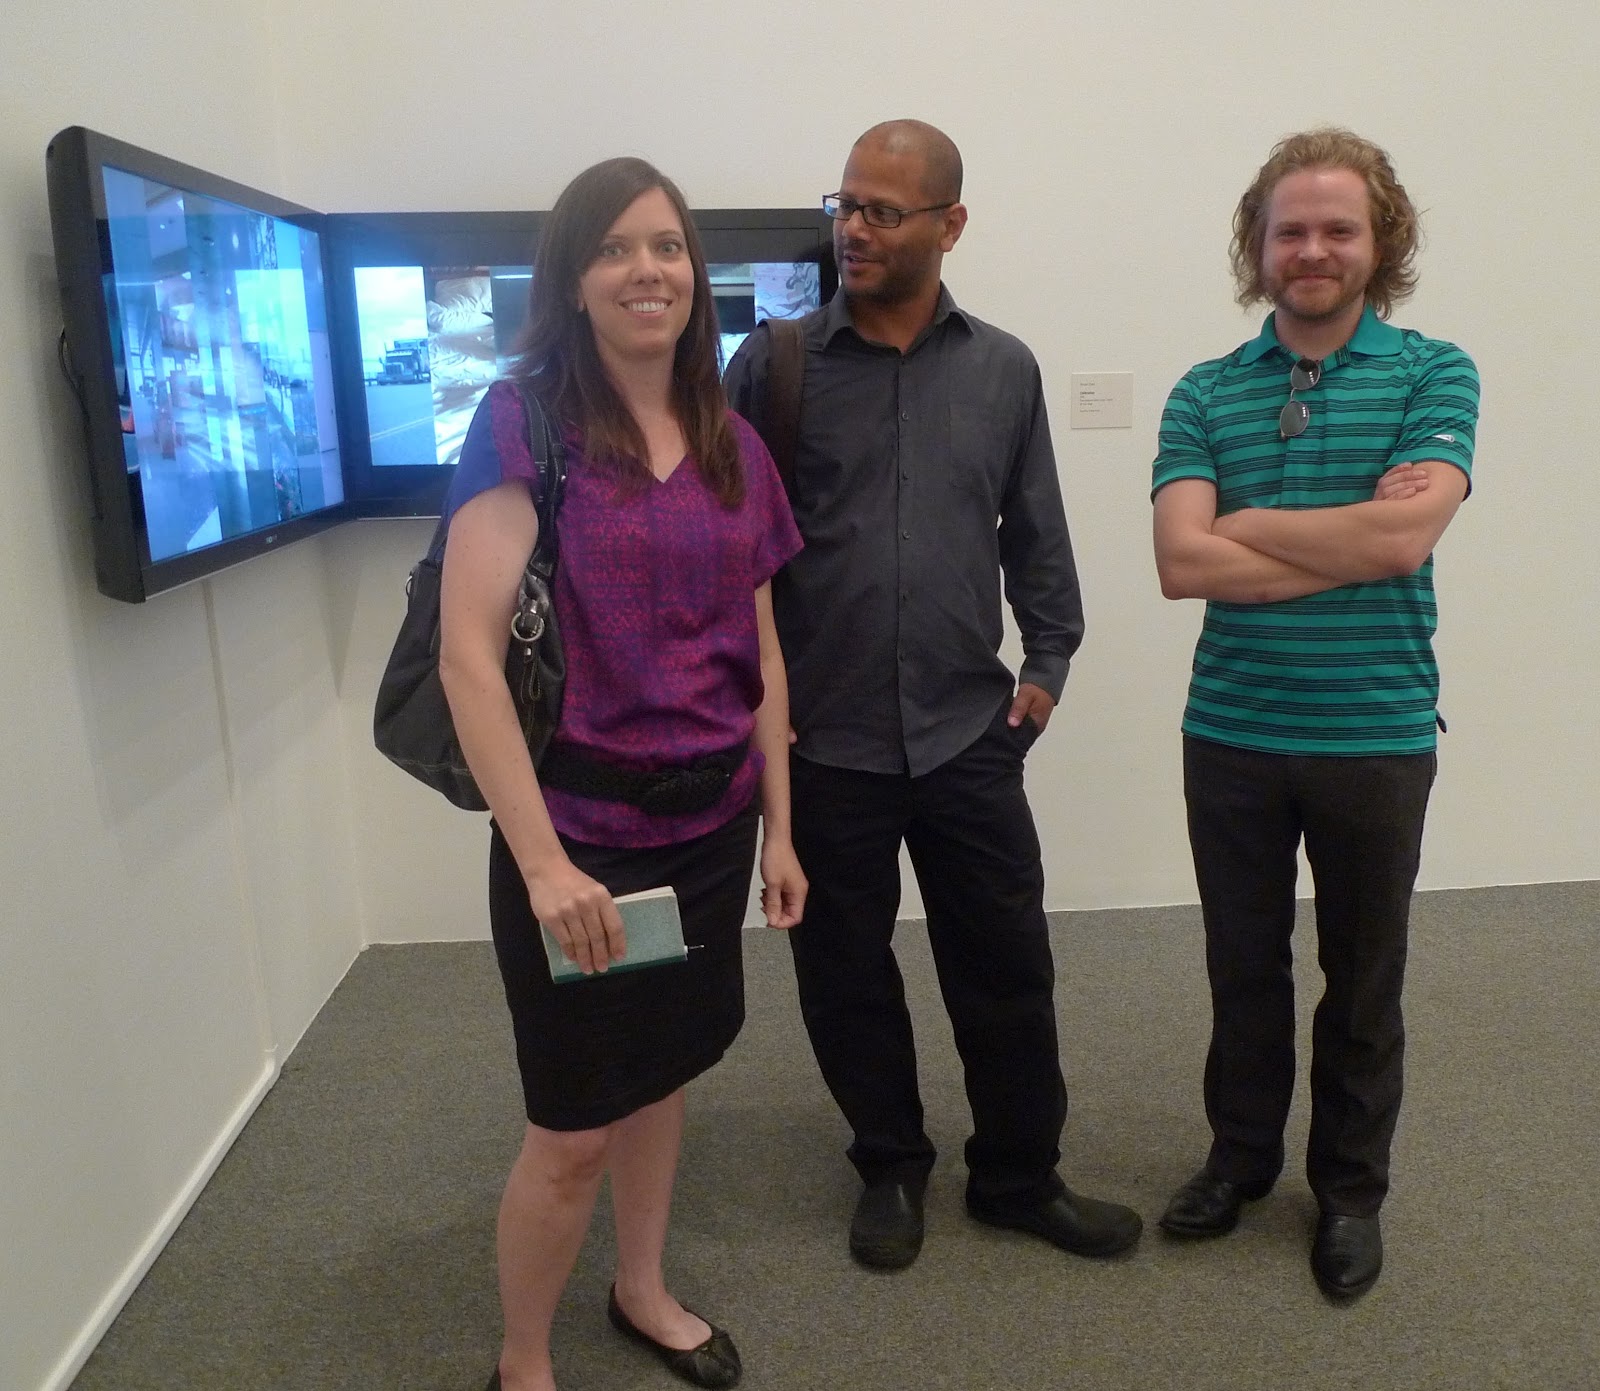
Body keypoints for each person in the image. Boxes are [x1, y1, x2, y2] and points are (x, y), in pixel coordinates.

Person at [725, 119, 1141, 1271]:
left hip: (968, 731)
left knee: (1006, 965)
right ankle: (890, 1163)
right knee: (845, 973)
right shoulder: (775, 366)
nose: (852, 229)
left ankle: (1018, 1175)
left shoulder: (1002, 368)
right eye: (844, 204)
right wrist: (749, 707)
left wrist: (1047, 665)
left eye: (881, 210)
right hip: (825, 741)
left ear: (949, 225)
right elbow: (725, 552)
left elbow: (1034, 528)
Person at [438, 157, 806, 1391]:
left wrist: (780, 830)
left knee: (660, 1075)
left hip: (707, 830)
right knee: (570, 1131)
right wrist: (542, 864)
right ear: (571, 279)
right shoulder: (523, 423)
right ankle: (523, 1362)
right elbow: (468, 660)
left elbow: (762, 653)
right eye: (612, 248)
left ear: (695, 272)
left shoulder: (733, 443)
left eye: (665, 246)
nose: (645, 270)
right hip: (582, 845)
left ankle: (640, 1287)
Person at [1150, 128, 1479, 1300]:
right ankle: (1239, 1159)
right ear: (1258, 244)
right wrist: (1346, 534)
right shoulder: (1204, 390)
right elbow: (1179, 564)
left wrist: (1244, 527)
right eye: (1289, 229)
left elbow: (1401, 541)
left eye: (1338, 228)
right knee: (1242, 967)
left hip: (1374, 732)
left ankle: (1347, 1191)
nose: (1312, 249)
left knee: (1363, 978)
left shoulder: (1434, 374)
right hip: (1230, 730)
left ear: (1380, 241)